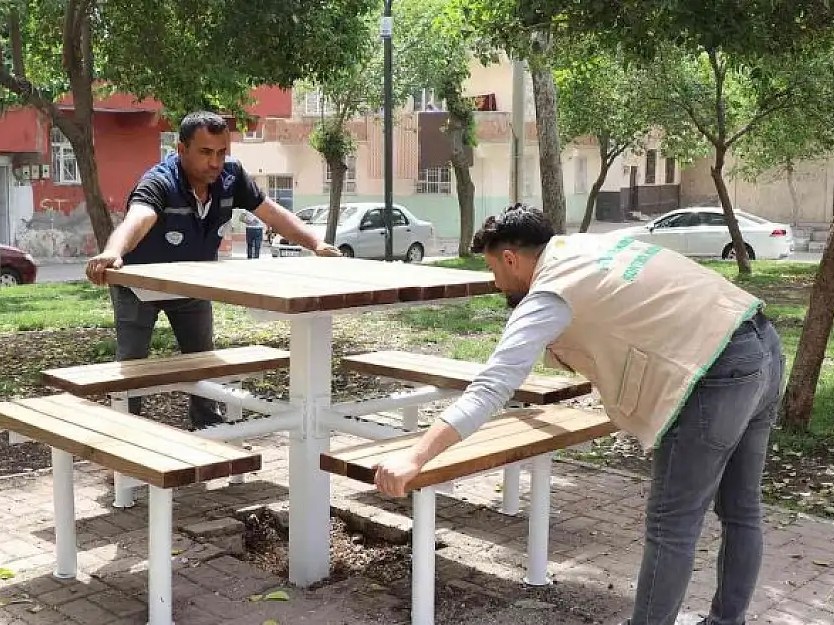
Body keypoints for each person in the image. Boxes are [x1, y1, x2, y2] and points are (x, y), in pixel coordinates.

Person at [373, 205, 785, 625]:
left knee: (671, 526)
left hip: (714, 374)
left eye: (492, 267)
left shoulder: (552, 291)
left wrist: (416, 456)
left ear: (511, 259)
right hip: (762, 341)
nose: (495, 281)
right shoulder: (587, 247)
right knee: (741, 510)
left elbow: (492, 386)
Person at [85, 111, 340, 429]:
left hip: (192, 285)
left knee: (204, 358)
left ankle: (210, 430)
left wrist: (315, 242)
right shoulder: (161, 181)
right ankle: (124, 442)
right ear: (181, 150)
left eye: (222, 152)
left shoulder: (231, 177)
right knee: (133, 365)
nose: (215, 162)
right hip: (139, 284)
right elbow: (139, 217)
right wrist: (112, 252)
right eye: (205, 152)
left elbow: (271, 213)